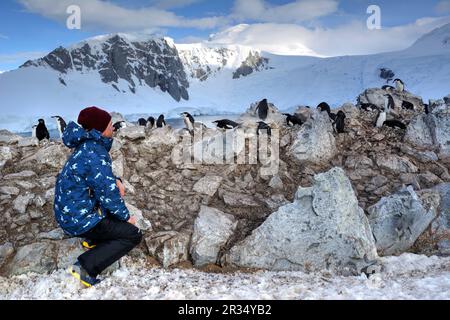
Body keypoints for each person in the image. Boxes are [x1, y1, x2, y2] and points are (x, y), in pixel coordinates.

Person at [54, 106, 142, 287]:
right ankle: (86, 268)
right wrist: (127, 218)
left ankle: (94, 239)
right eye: (110, 124)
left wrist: (116, 180)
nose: (113, 128)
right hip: (78, 219)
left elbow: (97, 179)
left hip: (72, 213)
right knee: (132, 235)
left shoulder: (87, 146)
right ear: (99, 129)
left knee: (112, 208)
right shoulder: (94, 152)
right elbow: (108, 194)